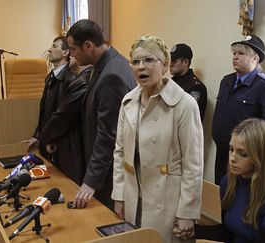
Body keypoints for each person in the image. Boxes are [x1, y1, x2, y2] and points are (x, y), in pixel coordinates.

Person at [112, 35, 204, 243]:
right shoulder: (128, 102)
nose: (141, 67)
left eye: (149, 60)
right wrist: (119, 194)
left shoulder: (184, 104)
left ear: (165, 65)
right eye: (135, 62)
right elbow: (119, 153)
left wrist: (187, 213)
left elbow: (193, 164)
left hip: (168, 200)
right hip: (133, 195)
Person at [66, 19, 136, 209]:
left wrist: (91, 180)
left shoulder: (111, 74)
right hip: (105, 169)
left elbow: (108, 135)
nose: (70, 54)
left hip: (109, 175)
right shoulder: (108, 63)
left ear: (88, 46)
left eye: (73, 49)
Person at [194, 118, 265, 243]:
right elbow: (228, 233)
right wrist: (192, 231)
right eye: (231, 149)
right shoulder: (229, 182)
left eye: (242, 153)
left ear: (260, 156)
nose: (232, 158)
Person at [212, 35, 265, 185]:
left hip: (245, 157)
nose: (235, 57)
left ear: (255, 59)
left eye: (241, 53)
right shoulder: (227, 81)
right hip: (223, 152)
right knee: (221, 193)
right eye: (234, 53)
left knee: (241, 199)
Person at [26, 36, 88, 185]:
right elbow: (46, 112)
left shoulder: (70, 79)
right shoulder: (50, 77)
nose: (49, 50)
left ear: (66, 52)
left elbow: (63, 117)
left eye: (54, 46)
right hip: (50, 140)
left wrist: (46, 138)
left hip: (63, 145)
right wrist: (37, 135)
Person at [170, 43, 207, 121]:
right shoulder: (170, 82)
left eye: (174, 61)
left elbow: (188, 116)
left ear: (185, 62)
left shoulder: (196, 87)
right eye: (170, 60)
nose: (170, 64)